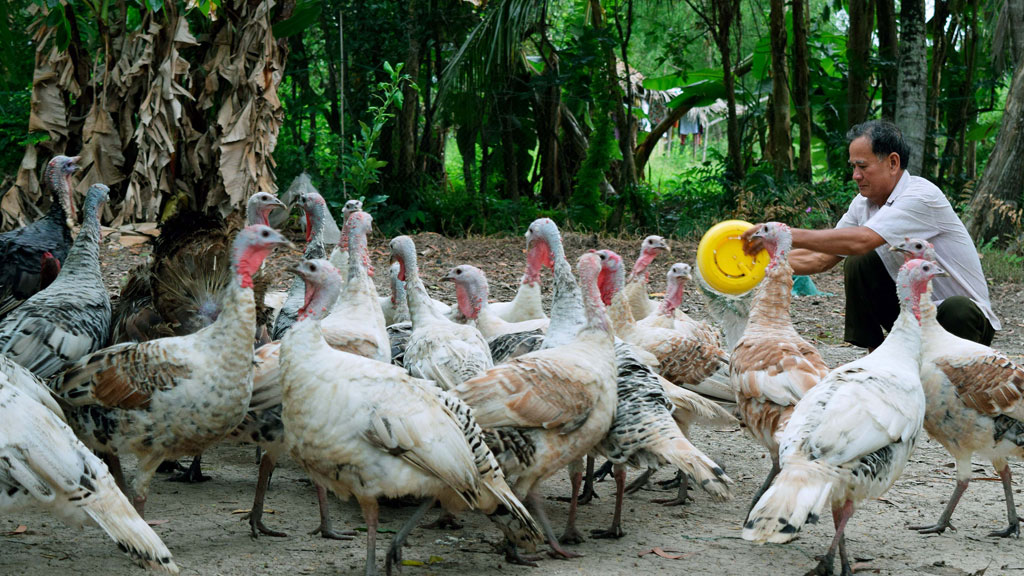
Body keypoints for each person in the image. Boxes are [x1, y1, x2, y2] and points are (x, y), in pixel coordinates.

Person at [742, 119, 999, 350]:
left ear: (893, 162)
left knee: (957, 307)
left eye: (862, 166)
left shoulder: (921, 197)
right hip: (913, 319)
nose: (855, 176)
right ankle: (875, 357)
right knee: (859, 263)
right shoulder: (863, 204)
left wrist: (780, 233)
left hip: (963, 325)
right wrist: (761, 261)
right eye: (853, 166)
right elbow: (820, 258)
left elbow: (862, 240)